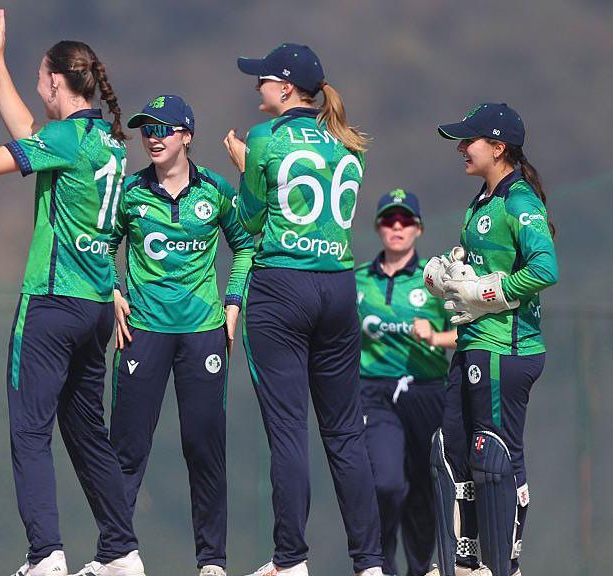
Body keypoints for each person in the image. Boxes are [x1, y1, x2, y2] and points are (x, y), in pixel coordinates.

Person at [0, 10, 144, 576]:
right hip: (94, 308)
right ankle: (121, 553)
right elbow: (32, 135)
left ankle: (46, 557)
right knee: (85, 431)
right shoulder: (107, 141)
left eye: (40, 79)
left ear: (57, 82)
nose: (39, 89)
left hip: (51, 303)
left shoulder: (66, 137)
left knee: (28, 429)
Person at [222, 43, 383, 576]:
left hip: (282, 287)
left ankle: (290, 560)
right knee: (344, 432)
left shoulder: (267, 138)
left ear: (286, 88)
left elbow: (247, 222)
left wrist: (245, 166)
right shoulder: (348, 145)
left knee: (289, 431)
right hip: (339, 287)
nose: (256, 87)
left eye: (262, 79)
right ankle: (371, 563)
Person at [108, 95, 254, 576]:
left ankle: (211, 563)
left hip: (202, 333)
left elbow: (246, 245)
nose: (152, 137)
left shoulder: (214, 191)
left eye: (163, 129)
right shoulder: (129, 193)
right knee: (127, 448)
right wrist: (113, 290)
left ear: (187, 137)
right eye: (147, 129)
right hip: (143, 331)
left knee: (204, 447)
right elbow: (100, 243)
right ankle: (115, 555)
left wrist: (233, 305)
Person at [425, 103, 558, 576]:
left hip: (509, 347)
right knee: (454, 444)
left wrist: (496, 290)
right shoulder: (482, 199)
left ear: (498, 147)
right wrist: (449, 267)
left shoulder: (519, 200)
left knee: (497, 456)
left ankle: (507, 561)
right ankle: (469, 554)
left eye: (470, 141)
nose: (461, 148)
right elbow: (479, 260)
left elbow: (544, 269)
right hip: (474, 340)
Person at [356, 190, 457, 576]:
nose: (396, 227)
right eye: (388, 220)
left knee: (423, 490)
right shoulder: (358, 281)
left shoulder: (435, 282)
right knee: (386, 483)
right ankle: (379, 565)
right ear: (378, 227)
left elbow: (465, 336)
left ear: (418, 228)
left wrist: (434, 337)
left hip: (427, 390)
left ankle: (422, 568)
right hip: (375, 392)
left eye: (404, 221)